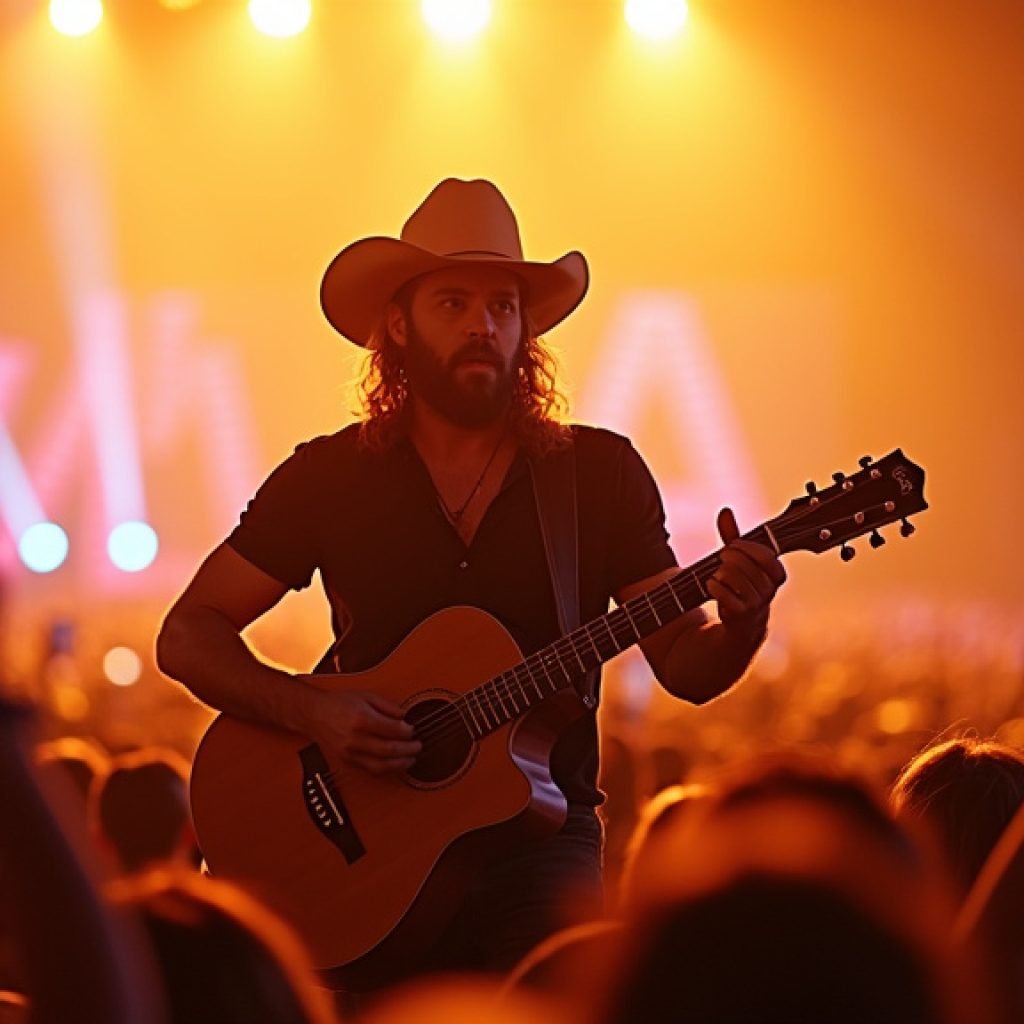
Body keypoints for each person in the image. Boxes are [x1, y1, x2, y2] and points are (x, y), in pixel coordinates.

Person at [156, 177, 786, 988]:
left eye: (502, 306)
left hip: (541, 844)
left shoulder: (597, 473)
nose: (482, 325)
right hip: (367, 854)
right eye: (453, 303)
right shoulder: (328, 476)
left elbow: (685, 666)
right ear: (399, 324)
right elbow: (188, 633)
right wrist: (312, 709)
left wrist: (743, 622)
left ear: (526, 329)